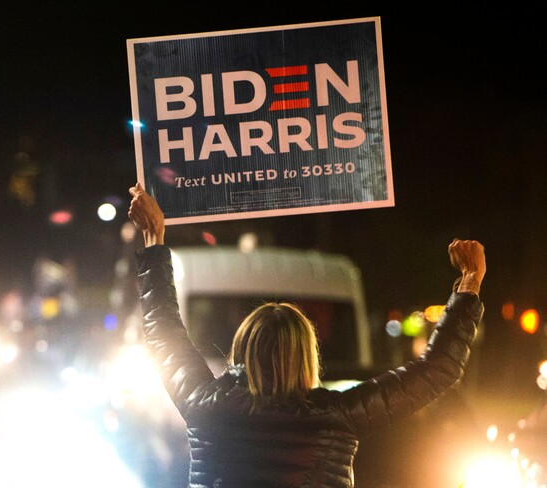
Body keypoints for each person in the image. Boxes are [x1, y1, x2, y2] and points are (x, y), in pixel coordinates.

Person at [128, 182, 486, 488]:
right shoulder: (337, 415)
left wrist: (153, 240)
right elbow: (438, 370)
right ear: (307, 354)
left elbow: (162, 326)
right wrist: (468, 285)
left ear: (243, 349)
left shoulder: (204, 403)